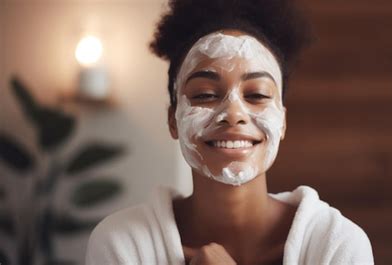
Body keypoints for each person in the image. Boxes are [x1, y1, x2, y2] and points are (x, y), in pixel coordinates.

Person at [86, 0, 374, 264]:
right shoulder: (124, 244)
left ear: (282, 121)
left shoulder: (336, 245)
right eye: (205, 94)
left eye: (257, 95)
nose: (233, 114)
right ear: (173, 119)